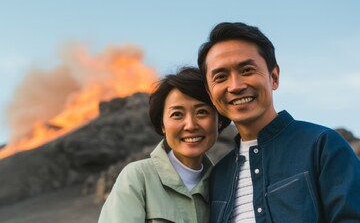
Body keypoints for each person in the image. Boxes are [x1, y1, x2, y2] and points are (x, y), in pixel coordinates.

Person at [197, 22, 360, 222]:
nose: (236, 86)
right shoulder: (217, 177)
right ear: (211, 94)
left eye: (247, 70)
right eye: (221, 77)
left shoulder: (323, 146)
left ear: (273, 77)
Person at [98, 66, 230, 222]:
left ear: (219, 120)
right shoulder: (138, 178)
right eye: (177, 114)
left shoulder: (226, 186)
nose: (190, 125)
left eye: (202, 112)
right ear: (162, 125)